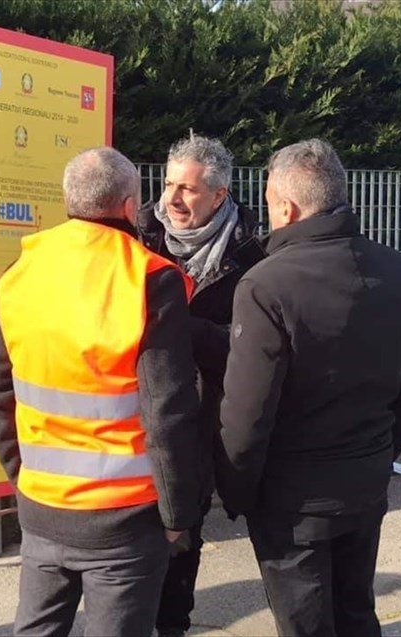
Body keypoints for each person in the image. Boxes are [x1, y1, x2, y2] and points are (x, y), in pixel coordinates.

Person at [216, 139, 401, 637]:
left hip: (292, 501)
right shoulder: (397, 269)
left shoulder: (265, 284)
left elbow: (247, 412)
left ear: (285, 206)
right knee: (357, 615)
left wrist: (237, 490)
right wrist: (380, 451)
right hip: (364, 484)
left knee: (307, 626)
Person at [0, 147, 202, 637]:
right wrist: (178, 515)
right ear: (128, 207)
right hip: (126, 523)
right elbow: (168, 411)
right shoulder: (150, 279)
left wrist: (27, 480)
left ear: (67, 201)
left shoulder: (19, 274)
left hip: (42, 511)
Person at [136, 134, 265, 637]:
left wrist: (180, 329)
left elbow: (251, 346)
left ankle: (173, 626)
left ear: (218, 195)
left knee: (183, 540)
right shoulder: (138, 233)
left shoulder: (252, 251)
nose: (171, 198)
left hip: (202, 419)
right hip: (135, 415)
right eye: (168, 184)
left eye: (187, 189)